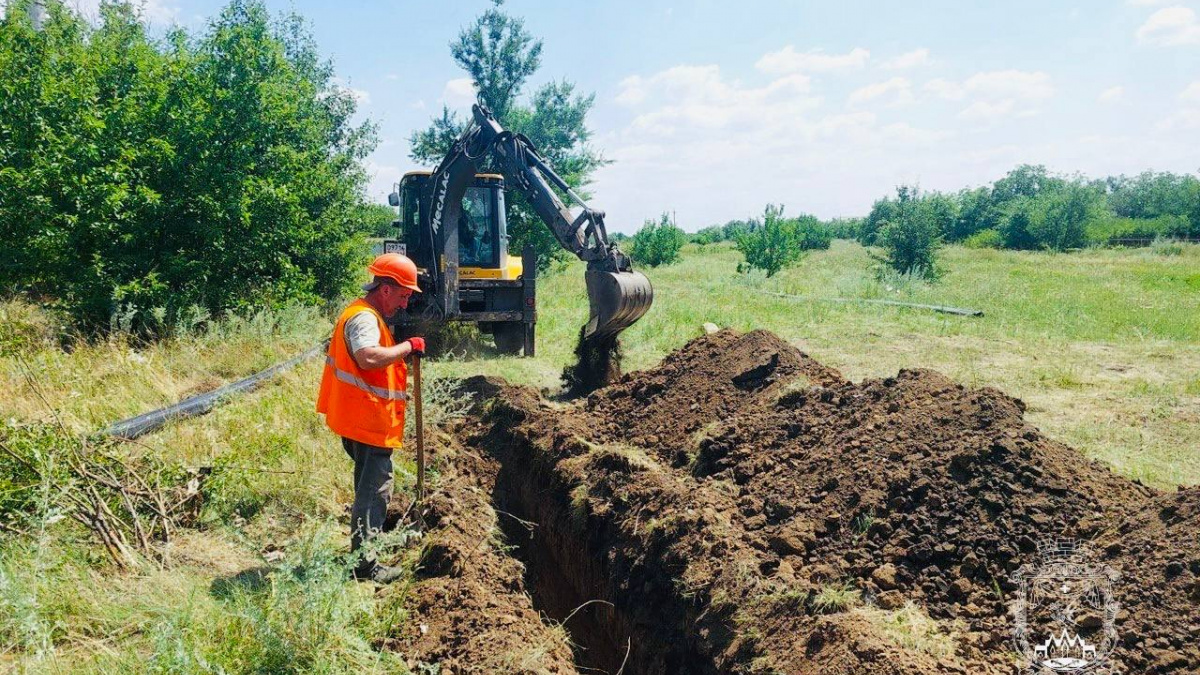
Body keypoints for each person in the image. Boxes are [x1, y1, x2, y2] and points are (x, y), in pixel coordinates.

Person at [316, 253, 425, 583]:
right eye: (404, 295)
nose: (405, 304)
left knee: (368, 487)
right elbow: (367, 357)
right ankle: (365, 566)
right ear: (387, 288)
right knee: (375, 490)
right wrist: (407, 347)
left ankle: (362, 553)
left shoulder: (363, 314)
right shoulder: (364, 319)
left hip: (360, 419)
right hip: (366, 422)